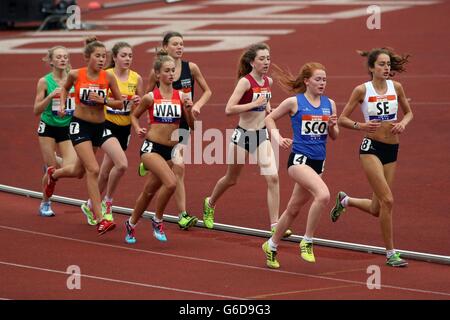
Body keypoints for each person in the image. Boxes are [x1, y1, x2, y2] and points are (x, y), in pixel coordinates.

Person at [329, 47, 413, 267]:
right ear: (371, 68)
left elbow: (410, 112)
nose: (386, 68)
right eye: (382, 64)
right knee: (388, 200)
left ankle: (345, 200)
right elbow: (342, 119)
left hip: (392, 150)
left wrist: (403, 123)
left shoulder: (397, 87)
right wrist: (361, 125)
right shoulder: (361, 90)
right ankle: (391, 254)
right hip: (371, 148)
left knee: (377, 209)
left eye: (388, 64)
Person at [202, 43, 290, 237]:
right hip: (242, 135)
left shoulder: (268, 82)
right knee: (231, 179)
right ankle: (210, 203)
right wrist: (254, 104)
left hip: (261, 135)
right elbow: (228, 109)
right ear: (252, 62)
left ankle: (275, 225)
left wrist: (268, 109)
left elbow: (265, 103)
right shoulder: (245, 82)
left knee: (273, 178)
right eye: (262, 59)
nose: (266, 62)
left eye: (268, 58)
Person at [262, 62, 339, 269]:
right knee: (323, 195)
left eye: (324, 79)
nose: (322, 83)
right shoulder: (294, 102)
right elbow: (269, 118)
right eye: (318, 79)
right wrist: (277, 137)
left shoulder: (329, 103)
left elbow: (334, 136)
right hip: (299, 160)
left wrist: (332, 126)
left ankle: (271, 245)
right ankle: (307, 241)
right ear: (307, 81)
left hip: (318, 163)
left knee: (293, 209)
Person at [43, 36, 123, 234]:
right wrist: (62, 104)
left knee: (82, 171)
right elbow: (64, 89)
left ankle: (54, 174)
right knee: (93, 169)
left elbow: (120, 103)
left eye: (104, 56)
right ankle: (100, 218)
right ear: (87, 58)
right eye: (98, 56)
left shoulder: (108, 77)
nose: (102, 60)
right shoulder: (76, 74)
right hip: (80, 126)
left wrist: (104, 100)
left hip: (100, 126)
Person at [142, 31, 212, 230]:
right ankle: (182, 214)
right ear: (165, 47)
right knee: (178, 168)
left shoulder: (192, 68)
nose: (180, 47)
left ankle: (150, 164)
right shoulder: (157, 72)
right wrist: (150, 116)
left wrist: (196, 106)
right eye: (175, 44)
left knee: (176, 169)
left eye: (182, 44)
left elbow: (208, 91)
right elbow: (147, 94)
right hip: (164, 127)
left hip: (184, 125)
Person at [125, 49, 195, 244]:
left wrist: (189, 111)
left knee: (148, 192)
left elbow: (192, 126)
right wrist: (138, 128)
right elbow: (133, 115)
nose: (171, 74)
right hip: (151, 148)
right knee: (171, 183)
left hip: (170, 151)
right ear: (157, 74)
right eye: (167, 70)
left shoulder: (182, 97)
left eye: (173, 70)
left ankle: (131, 223)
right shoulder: (150, 97)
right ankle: (157, 219)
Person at [80, 42, 143, 224]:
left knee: (106, 171)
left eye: (130, 56)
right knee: (120, 165)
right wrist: (109, 100)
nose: (127, 59)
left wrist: (137, 104)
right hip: (106, 124)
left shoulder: (136, 78)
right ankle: (107, 203)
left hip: (124, 127)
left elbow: (137, 110)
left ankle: (91, 204)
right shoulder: (106, 76)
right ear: (114, 58)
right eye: (123, 55)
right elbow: (95, 100)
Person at [34, 45, 77, 217]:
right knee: (50, 170)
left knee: (71, 168)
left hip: (67, 127)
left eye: (65, 57)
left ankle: (55, 160)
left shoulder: (73, 78)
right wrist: (50, 97)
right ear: (51, 61)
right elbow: (36, 109)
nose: (62, 60)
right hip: (48, 127)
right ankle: (45, 202)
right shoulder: (45, 82)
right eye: (58, 57)